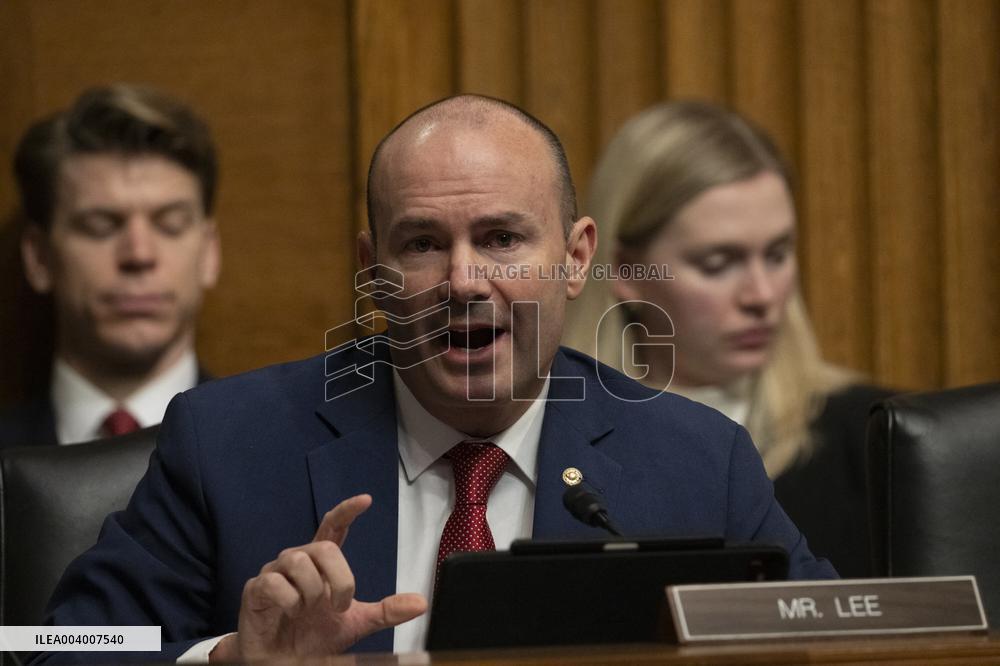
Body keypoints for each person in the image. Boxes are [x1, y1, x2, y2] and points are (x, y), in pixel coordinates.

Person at [32, 95, 834, 664]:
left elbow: (839, 642)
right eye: (420, 244)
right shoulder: (226, 441)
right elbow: (53, 645)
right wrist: (229, 659)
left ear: (577, 257)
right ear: (371, 269)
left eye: (501, 239)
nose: (463, 281)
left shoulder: (698, 461)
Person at [563, 101, 893, 578]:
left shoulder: (877, 441)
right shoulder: (556, 453)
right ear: (626, 272)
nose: (761, 295)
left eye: (777, 255)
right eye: (719, 263)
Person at [0, 84, 221, 448]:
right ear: (39, 257)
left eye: (170, 224)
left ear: (209, 252)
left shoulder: (276, 452)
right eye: (99, 226)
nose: (138, 254)